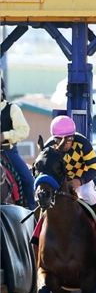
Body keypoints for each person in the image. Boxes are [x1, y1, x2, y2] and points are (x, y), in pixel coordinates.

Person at [40, 115, 96, 247]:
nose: (64, 143)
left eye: (69, 139)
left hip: (82, 179)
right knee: (44, 200)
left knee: (88, 193)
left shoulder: (83, 143)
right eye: (59, 139)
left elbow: (94, 169)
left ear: (73, 136)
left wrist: (79, 181)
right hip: (60, 182)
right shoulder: (49, 147)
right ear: (54, 138)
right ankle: (36, 234)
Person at [1, 74, 35, 208]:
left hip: (8, 152)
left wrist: (5, 135)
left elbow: (24, 130)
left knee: (27, 179)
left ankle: (32, 210)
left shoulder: (12, 109)